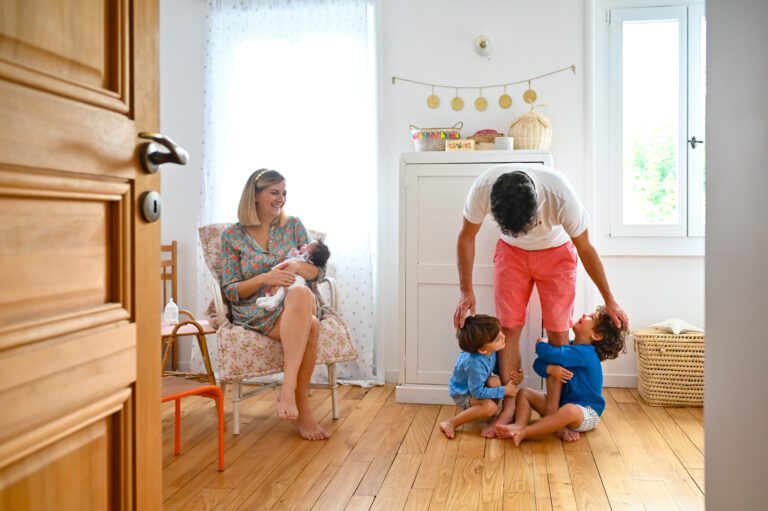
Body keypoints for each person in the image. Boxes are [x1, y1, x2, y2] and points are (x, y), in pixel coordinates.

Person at [453, 164, 629, 437]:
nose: (525, 233)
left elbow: (585, 248)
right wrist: (466, 291)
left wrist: (610, 299)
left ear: (537, 209)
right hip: (511, 256)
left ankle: (553, 412)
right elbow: (466, 236)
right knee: (508, 329)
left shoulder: (560, 195)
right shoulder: (482, 189)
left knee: (559, 332)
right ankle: (509, 406)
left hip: (557, 255)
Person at [220, 168, 329, 440]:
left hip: (298, 301)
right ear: (255, 196)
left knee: (302, 295)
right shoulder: (232, 236)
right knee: (312, 327)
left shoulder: (293, 226)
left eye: (284, 193)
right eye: (274, 192)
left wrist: (294, 266)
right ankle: (303, 410)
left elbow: (318, 272)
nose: (281, 198)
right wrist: (264, 278)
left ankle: (287, 389)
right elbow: (231, 290)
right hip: (257, 309)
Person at [495, 306, 627, 444]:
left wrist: (540, 343)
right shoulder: (569, 348)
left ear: (597, 335)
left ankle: (525, 432)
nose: (584, 314)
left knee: (569, 410)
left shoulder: (586, 354)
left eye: (591, 317)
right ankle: (519, 424)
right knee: (524, 393)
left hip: (586, 413)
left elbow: (549, 353)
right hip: (561, 409)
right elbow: (538, 364)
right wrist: (550, 369)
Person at [439, 315, 522, 439]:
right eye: (497, 339)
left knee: (496, 382)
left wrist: (517, 375)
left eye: (500, 331)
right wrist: (505, 391)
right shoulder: (474, 364)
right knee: (490, 407)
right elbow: (477, 392)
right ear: (483, 350)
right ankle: (451, 422)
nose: (503, 336)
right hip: (464, 393)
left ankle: (492, 415)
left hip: (476, 385)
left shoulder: (491, 351)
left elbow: (497, 370)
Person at [256, 239, 330, 310]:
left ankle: (274, 301)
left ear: (309, 257)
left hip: (294, 282)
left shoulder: (305, 259)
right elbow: (289, 257)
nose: (304, 244)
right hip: (281, 277)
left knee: (283, 288)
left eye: (307, 246)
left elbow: (322, 270)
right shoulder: (298, 253)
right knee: (277, 287)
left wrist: (295, 266)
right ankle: (269, 298)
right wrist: (293, 253)